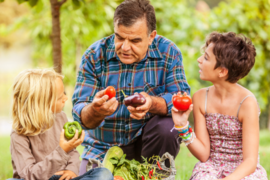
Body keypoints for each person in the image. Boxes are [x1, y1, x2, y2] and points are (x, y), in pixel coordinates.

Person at [72, 0, 190, 175]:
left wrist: (152, 103)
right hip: (103, 147)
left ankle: (155, 175)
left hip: (147, 145)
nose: (125, 47)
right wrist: (95, 110)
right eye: (119, 37)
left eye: (135, 40)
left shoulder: (168, 52)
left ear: (151, 37)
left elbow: (181, 102)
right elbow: (80, 115)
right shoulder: (94, 56)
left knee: (167, 126)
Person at [171, 32, 268, 179]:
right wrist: (182, 126)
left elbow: (250, 161)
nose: (199, 60)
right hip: (211, 167)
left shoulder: (247, 103)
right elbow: (204, 155)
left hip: (242, 169)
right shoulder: (200, 98)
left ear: (222, 71)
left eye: (206, 58)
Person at [9, 69, 113, 180]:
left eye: (64, 93)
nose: (66, 98)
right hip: (38, 178)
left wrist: (71, 169)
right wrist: (62, 151)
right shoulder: (18, 135)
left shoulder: (60, 117)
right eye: (60, 97)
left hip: (62, 177)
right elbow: (29, 175)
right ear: (41, 104)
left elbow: (72, 152)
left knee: (104, 174)